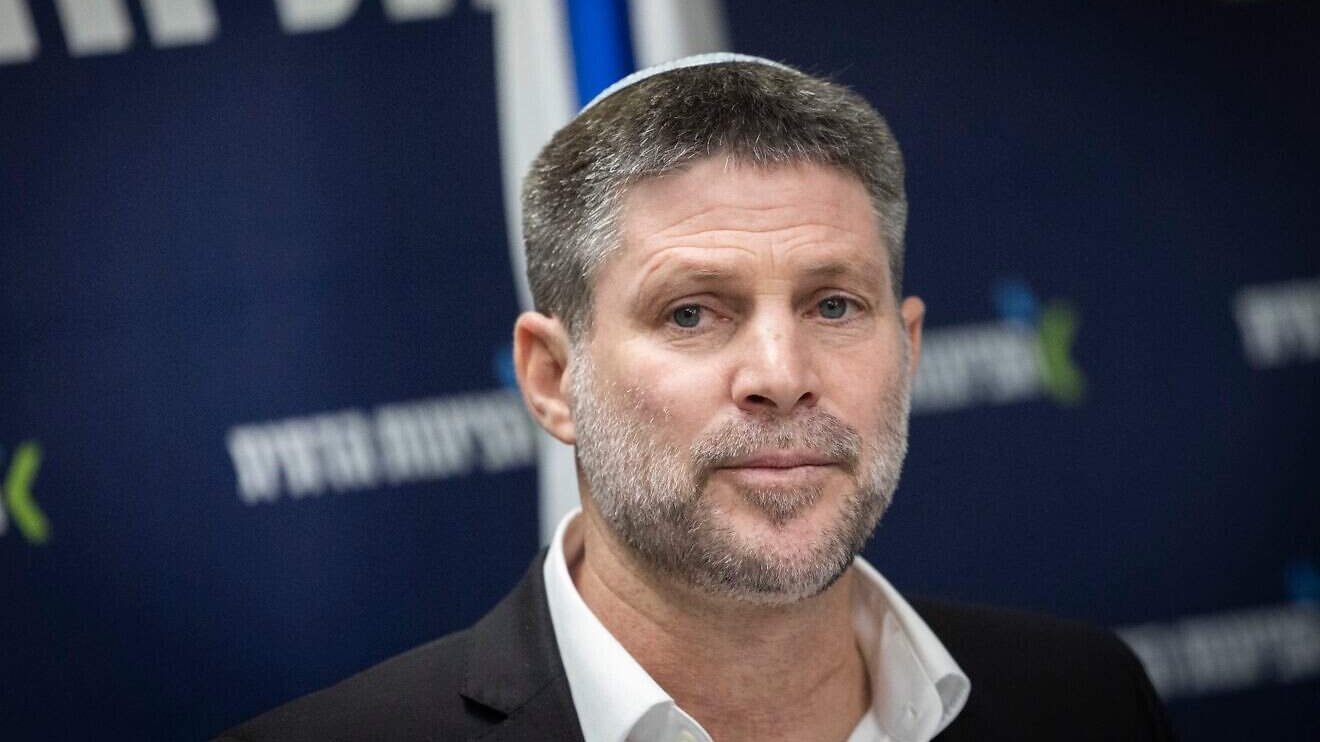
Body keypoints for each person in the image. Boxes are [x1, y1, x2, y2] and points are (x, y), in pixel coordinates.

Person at [215, 54, 1174, 742]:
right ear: (554, 381)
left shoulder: (1083, 700)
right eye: (691, 313)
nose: (781, 372)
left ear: (909, 349)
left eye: (834, 304)